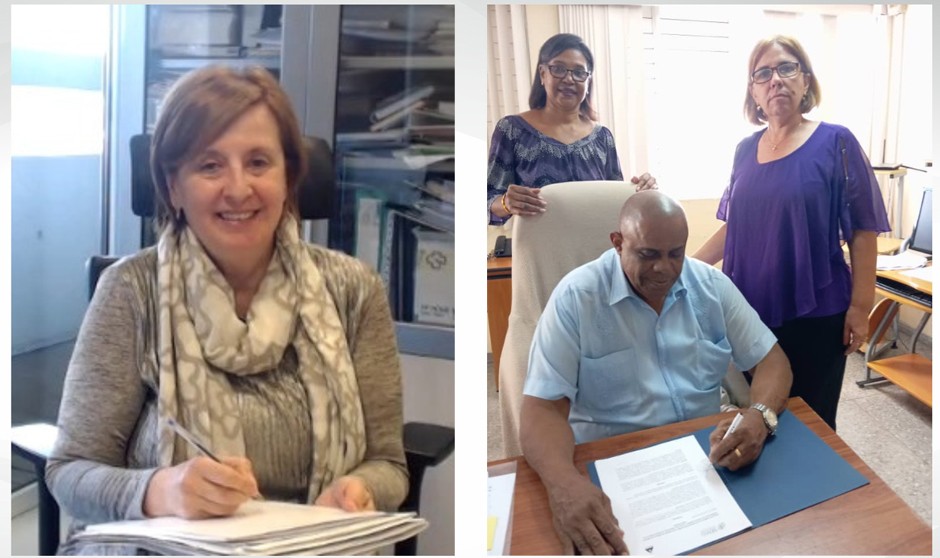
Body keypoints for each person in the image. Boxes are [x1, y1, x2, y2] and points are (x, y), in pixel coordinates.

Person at [46, 66, 408, 554]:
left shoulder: (353, 290)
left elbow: (389, 463)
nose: (238, 189)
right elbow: (70, 471)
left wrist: (360, 488)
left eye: (258, 162)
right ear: (174, 187)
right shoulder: (130, 291)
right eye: (210, 166)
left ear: (289, 178)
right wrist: (160, 491)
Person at [520, 191, 793, 555]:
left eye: (674, 254)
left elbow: (772, 361)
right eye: (648, 254)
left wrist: (760, 415)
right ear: (618, 243)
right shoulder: (577, 297)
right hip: (613, 466)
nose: (663, 268)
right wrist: (562, 484)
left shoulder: (710, 286)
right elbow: (541, 407)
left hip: (707, 458)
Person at [693, 35, 890, 431]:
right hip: (750, 311)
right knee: (758, 416)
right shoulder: (744, 150)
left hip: (817, 313)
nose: (776, 80)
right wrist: (689, 264)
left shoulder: (836, 141)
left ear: (805, 80)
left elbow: (863, 230)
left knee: (811, 422)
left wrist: (860, 308)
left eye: (786, 68)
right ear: (753, 91)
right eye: (763, 73)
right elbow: (738, 224)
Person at [486, 32, 656, 225]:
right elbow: (487, 201)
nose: (569, 79)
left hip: (597, 249)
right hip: (538, 250)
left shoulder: (602, 137)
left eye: (579, 72)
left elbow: (615, 203)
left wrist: (642, 191)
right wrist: (507, 203)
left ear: (588, 80)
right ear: (542, 74)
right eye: (558, 69)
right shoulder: (512, 130)